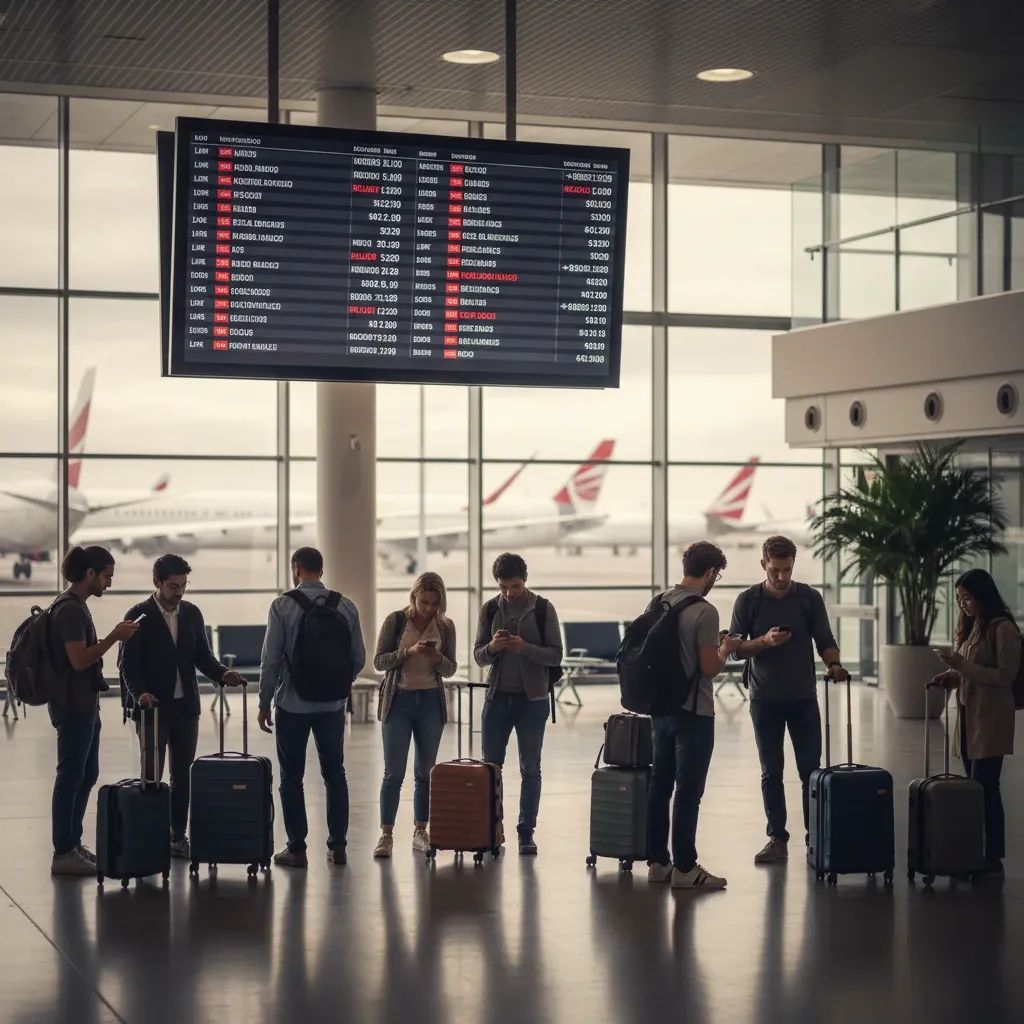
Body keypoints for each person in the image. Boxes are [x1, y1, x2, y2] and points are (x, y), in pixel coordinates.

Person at [729, 535, 848, 865]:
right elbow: (736, 650)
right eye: (776, 570)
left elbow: (825, 639)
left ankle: (817, 837)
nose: (782, 577)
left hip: (803, 698)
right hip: (763, 699)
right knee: (771, 771)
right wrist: (764, 641)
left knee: (810, 770)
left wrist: (834, 665)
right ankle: (777, 837)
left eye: (787, 570)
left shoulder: (808, 598)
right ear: (764, 564)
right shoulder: (748, 600)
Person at [119, 553, 246, 859]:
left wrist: (222, 673)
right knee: (152, 775)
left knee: (182, 776)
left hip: (185, 707)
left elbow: (202, 655)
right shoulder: (139, 615)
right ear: (157, 582)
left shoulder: (191, 613)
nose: (179, 592)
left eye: (183, 585)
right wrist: (140, 694)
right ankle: (150, 835)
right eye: (173, 586)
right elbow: (127, 664)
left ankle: (178, 836)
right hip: (152, 710)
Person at [258, 547, 365, 869]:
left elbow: (271, 660)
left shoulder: (282, 606)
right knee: (335, 774)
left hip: (292, 704)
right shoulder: (345, 606)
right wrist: (335, 685)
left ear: (296, 568)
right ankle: (338, 846)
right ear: (321, 569)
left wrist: (264, 702)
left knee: (292, 777)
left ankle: (297, 849)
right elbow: (358, 658)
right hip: (332, 706)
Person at [646, 541, 741, 890]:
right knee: (688, 790)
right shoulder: (705, 611)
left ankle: (658, 862)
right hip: (694, 712)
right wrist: (726, 649)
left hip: (660, 709)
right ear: (711, 573)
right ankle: (685, 868)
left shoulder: (659, 602)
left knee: (660, 785)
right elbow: (709, 667)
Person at [48, 546, 139, 876]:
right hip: (73, 707)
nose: (109, 584)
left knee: (85, 774)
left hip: (84, 703)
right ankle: (63, 851)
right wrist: (116, 636)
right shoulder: (70, 611)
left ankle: (72, 843)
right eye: (106, 576)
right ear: (90, 575)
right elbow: (79, 660)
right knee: (70, 776)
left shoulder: (77, 607)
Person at [932, 568, 1020, 879]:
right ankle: (975, 853)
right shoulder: (972, 628)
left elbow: (1003, 677)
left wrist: (962, 665)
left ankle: (993, 856)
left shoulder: (1003, 629)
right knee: (974, 789)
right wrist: (951, 676)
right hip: (970, 718)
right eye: (959, 599)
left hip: (991, 718)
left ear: (983, 595)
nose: (963, 604)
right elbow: (969, 671)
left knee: (987, 787)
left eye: (967, 598)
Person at [473, 552, 562, 856]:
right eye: (503, 587)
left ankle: (526, 831)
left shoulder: (543, 609)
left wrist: (525, 648)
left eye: (514, 586)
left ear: (525, 580)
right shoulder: (489, 610)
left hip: (532, 700)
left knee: (530, 768)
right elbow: (478, 656)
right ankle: (489, 830)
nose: (509, 593)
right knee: (490, 768)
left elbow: (555, 656)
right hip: (497, 698)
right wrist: (494, 647)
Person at [372, 572, 458, 858]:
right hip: (398, 701)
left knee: (425, 772)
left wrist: (437, 659)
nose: (429, 608)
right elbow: (379, 661)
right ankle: (386, 834)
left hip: (431, 700)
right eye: (424, 602)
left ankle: (421, 831)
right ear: (414, 597)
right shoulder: (396, 621)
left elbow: (451, 669)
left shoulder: (445, 627)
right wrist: (407, 651)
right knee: (393, 772)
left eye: (435, 603)